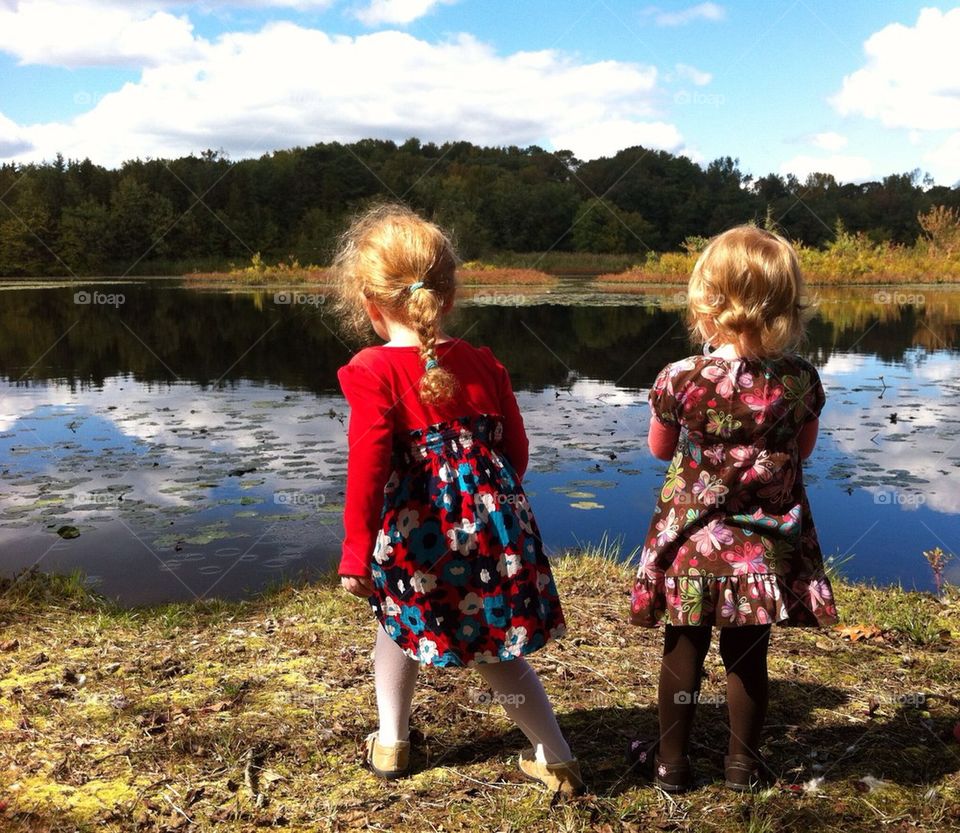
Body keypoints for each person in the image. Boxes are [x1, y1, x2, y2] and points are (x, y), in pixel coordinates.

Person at [333, 203, 582, 795]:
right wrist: (492, 506)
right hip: (496, 529)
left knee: (398, 624)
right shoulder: (483, 362)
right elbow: (514, 452)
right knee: (499, 645)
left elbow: (367, 470)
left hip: (419, 538)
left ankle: (393, 744)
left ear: (370, 305)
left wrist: (355, 552)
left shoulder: (371, 370)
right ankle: (556, 757)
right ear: (447, 297)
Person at [628, 225, 838, 792]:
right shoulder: (799, 379)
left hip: (690, 542)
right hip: (762, 546)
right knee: (749, 656)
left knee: (684, 645)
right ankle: (741, 768)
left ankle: (671, 765)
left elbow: (660, 449)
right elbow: (805, 450)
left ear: (707, 300)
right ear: (785, 304)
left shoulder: (679, 378)